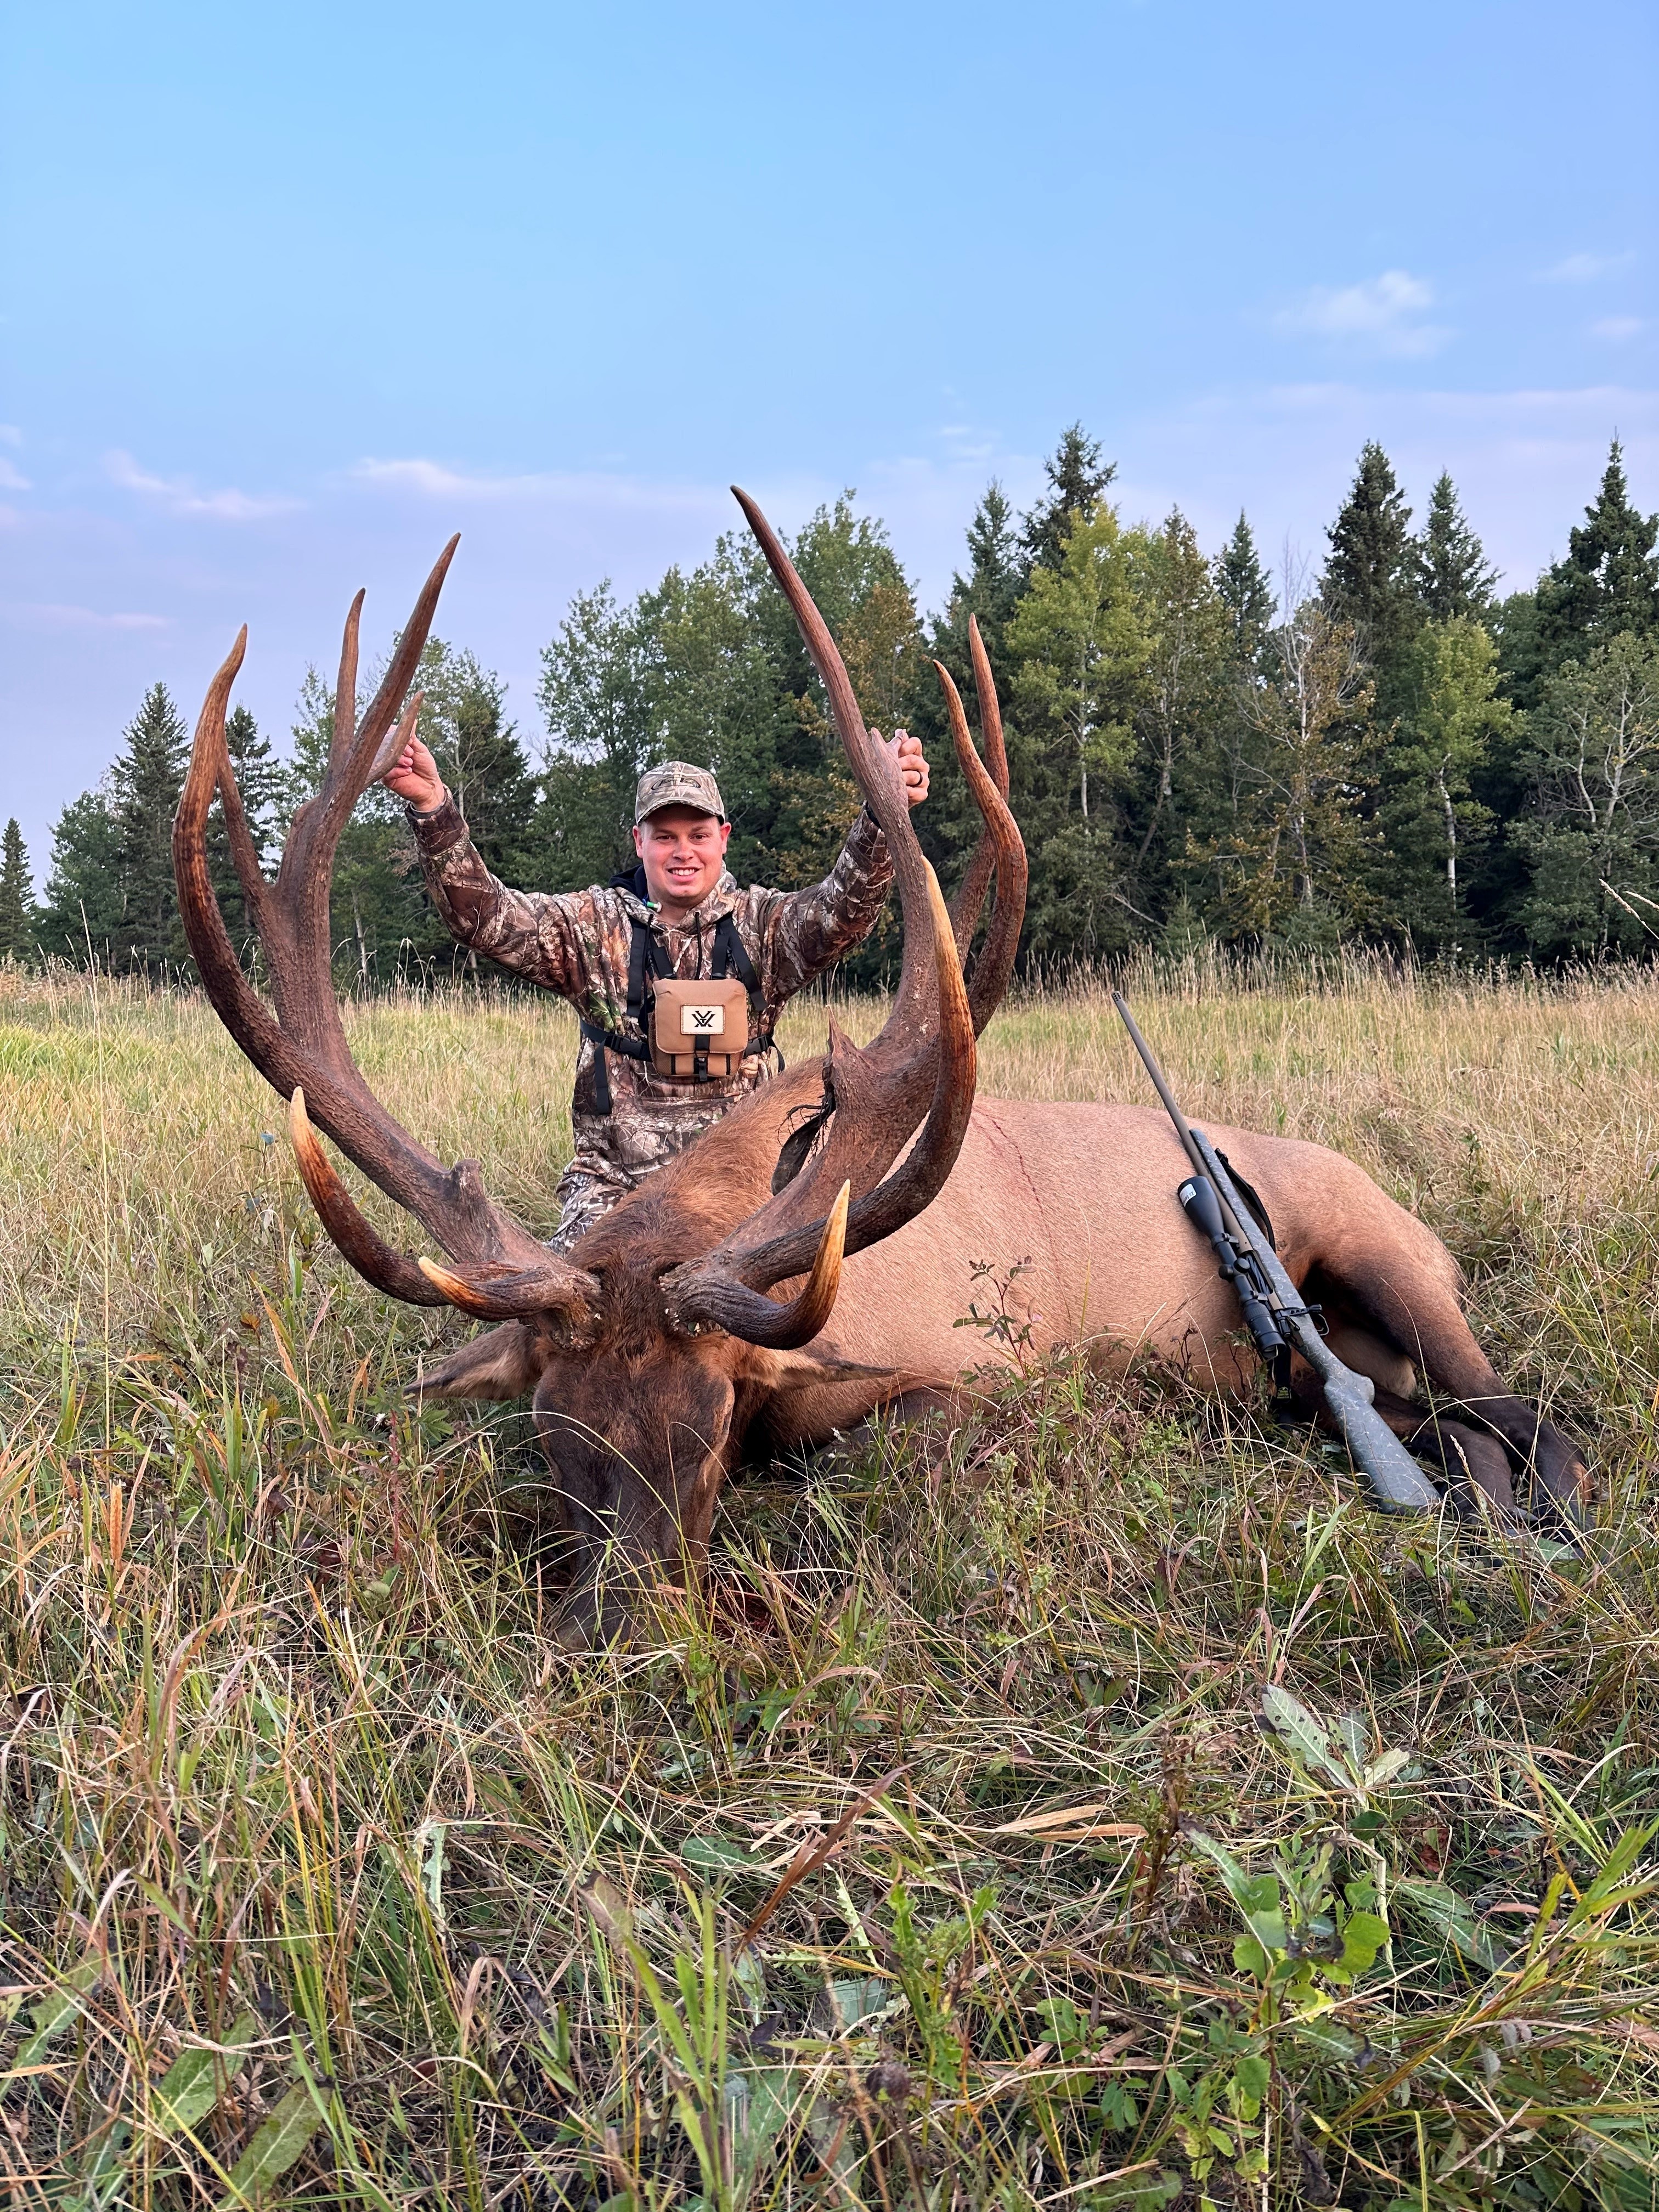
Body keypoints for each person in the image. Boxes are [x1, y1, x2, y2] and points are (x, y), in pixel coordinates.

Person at [383, 731, 930, 1249]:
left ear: (723, 838)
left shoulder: (764, 926)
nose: (682, 852)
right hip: (614, 1186)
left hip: (743, 1187)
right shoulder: (590, 928)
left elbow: (843, 912)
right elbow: (487, 918)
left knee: (787, 1295)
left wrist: (880, 818)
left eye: (698, 836)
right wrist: (434, 810)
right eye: (665, 836)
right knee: (566, 1301)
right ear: (639, 841)